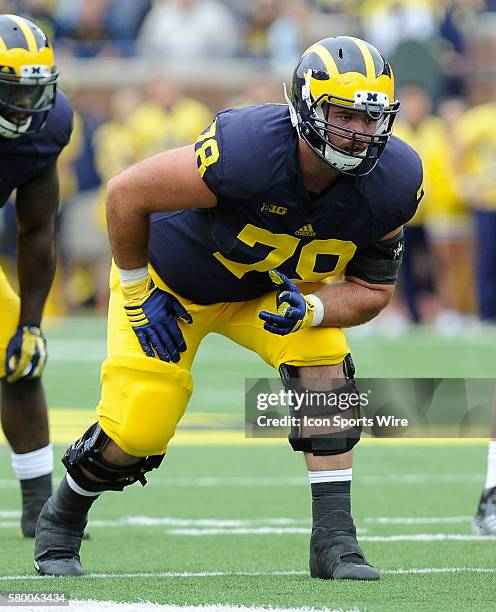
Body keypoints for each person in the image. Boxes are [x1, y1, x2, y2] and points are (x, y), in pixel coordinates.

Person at [35, 36, 423, 580]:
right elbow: (126, 193)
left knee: (326, 372)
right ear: (307, 106)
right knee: (141, 422)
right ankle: (63, 513)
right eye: (344, 114)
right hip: (174, 286)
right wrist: (138, 289)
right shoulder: (249, 150)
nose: (359, 132)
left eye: (371, 117)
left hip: (271, 296)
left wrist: (311, 310)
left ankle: (336, 540)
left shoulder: (393, 183)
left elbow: (373, 290)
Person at [0, 14, 73, 536]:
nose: (26, 107)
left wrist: (31, 323)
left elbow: (37, 229)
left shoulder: (46, 128)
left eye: (33, 92)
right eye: (12, 92)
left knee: (17, 357)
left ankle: (38, 506)